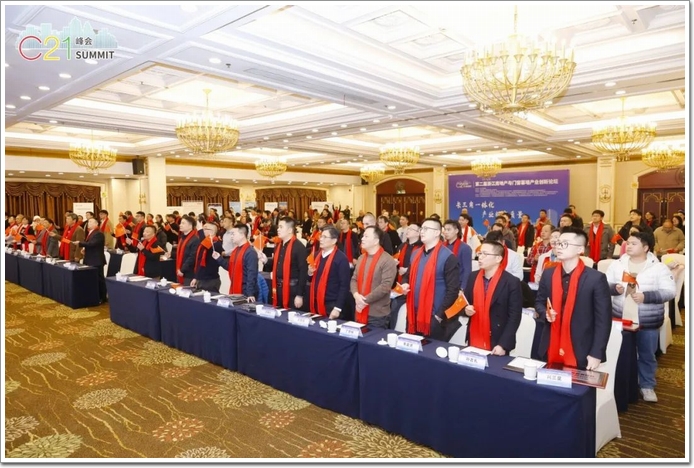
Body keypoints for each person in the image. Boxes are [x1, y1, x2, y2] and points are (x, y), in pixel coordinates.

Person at [605, 231, 676, 403]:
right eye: (628, 243)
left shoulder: (658, 268)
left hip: (647, 320)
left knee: (646, 354)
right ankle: (621, 385)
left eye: (633, 243)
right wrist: (614, 288)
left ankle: (647, 385)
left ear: (645, 247)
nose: (628, 246)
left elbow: (670, 292)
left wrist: (646, 297)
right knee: (620, 354)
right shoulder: (617, 264)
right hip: (621, 319)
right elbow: (603, 284)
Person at [534, 227, 612, 370]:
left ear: (580, 249)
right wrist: (546, 313)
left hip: (581, 348)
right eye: (558, 243)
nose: (559, 247)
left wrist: (596, 353)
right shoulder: (548, 274)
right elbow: (539, 302)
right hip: (550, 343)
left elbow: (603, 320)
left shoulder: (596, 279)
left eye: (564, 244)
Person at [400, 218, 460, 341]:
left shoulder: (448, 257)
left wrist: (439, 315)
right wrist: (405, 284)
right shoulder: (416, 254)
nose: (422, 231)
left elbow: (453, 290)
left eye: (426, 229)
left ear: (437, 232)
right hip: (413, 314)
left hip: (434, 317)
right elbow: (407, 275)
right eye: (421, 229)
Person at [464, 240, 522, 354]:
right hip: (474, 336)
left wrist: (503, 345)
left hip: (498, 341)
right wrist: (466, 309)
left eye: (485, 254)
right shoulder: (473, 277)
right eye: (480, 253)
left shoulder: (511, 282)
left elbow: (514, 317)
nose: (480, 257)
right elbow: (465, 302)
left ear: (498, 258)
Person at [350, 226, 397, 328]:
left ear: (376, 241)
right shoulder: (361, 258)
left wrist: (364, 301)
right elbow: (354, 279)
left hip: (377, 315)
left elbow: (385, 286)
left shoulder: (387, 260)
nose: (362, 238)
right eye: (363, 236)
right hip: (359, 310)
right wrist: (356, 295)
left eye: (366, 236)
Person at [307, 226, 351, 319]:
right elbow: (310, 279)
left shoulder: (341, 258)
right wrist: (310, 273)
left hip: (332, 304)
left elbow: (344, 285)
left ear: (334, 240)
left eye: (325, 237)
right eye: (321, 236)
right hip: (315, 301)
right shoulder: (316, 255)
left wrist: (338, 308)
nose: (321, 239)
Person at [213, 224, 258, 301]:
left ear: (242, 235)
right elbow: (230, 267)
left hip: (245, 291)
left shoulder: (250, 252)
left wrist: (250, 293)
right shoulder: (235, 250)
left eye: (233, 234)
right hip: (235, 288)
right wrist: (219, 258)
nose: (231, 236)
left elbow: (252, 274)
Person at [271, 217, 308, 310]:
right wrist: (265, 260)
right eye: (278, 227)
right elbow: (277, 263)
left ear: (290, 230)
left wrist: (299, 295)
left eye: (281, 227)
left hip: (292, 289)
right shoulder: (278, 245)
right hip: (278, 288)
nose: (278, 229)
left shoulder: (299, 247)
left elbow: (303, 272)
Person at [74, 218, 108, 303]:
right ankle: (94, 296)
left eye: (90, 222)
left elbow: (92, 244)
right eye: (88, 221)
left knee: (99, 279)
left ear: (96, 224)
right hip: (90, 258)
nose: (88, 223)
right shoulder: (91, 232)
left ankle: (102, 297)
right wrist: (85, 249)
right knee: (92, 279)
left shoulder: (98, 233)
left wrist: (80, 243)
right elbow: (91, 245)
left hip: (96, 260)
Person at [191, 223, 223, 293]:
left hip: (211, 280)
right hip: (201, 278)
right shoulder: (203, 244)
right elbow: (199, 262)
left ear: (212, 231)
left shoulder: (216, 243)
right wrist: (196, 277)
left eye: (205, 229)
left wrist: (200, 231)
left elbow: (208, 246)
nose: (203, 231)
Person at [442, 219, 472, 294]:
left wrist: (462, 288)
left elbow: (467, 270)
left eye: (449, 229)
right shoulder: (441, 246)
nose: (445, 232)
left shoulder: (465, 248)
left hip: (457, 285)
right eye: (445, 229)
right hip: (443, 284)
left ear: (456, 231)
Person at [174, 215, 200, 285]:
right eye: (180, 223)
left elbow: (192, 257)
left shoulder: (195, 239)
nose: (180, 225)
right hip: (180, 270)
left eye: (183, 223)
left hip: (189, 273)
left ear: (190, 226)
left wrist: (182, 270)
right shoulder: (182, 238)